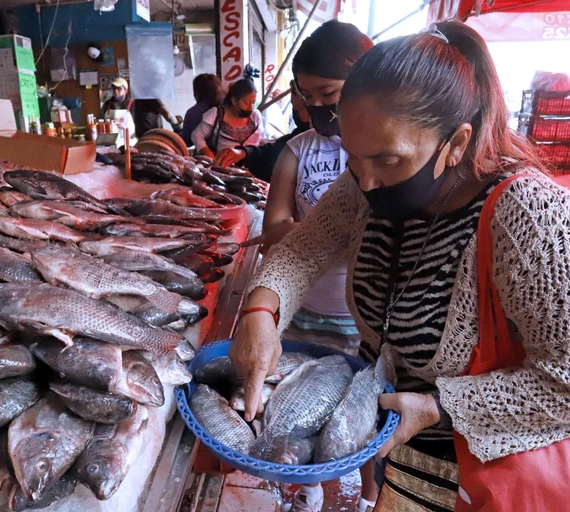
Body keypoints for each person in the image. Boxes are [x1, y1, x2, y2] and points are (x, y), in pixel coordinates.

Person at [230, 21, 570, 512]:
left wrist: (440, 408)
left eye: (387, 160)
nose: (365, 181)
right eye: (354, 156)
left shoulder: (530, 217)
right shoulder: (365, 180)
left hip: (483, 477)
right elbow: (305, 249)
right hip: (398, 463)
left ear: (457, 142)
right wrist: (261, 312)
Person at [244, 21, 374, 512]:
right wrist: (262, 308)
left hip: (361, 316)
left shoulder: (371, 151)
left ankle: (369, 497)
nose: (318, 108)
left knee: (358, 413)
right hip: (306, 309)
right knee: (306, 408)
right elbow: (281, 232)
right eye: (308, 96)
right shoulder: (299, 151)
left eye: (329, 94)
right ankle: (310, 489)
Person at [191, 78, 264, 159]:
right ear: (234, 100)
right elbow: (197, 135)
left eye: (253, 102)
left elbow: (261, 140)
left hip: (251, 165)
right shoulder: (217, 114)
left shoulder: (255, 116)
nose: (251, 107)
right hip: (222, 166)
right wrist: (210, 156)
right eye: (246, 103)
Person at [181, 73, 225, 146]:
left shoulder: (192, 113)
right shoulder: (227, 109)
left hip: (204, 154)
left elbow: (186, 142)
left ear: (197, 93)